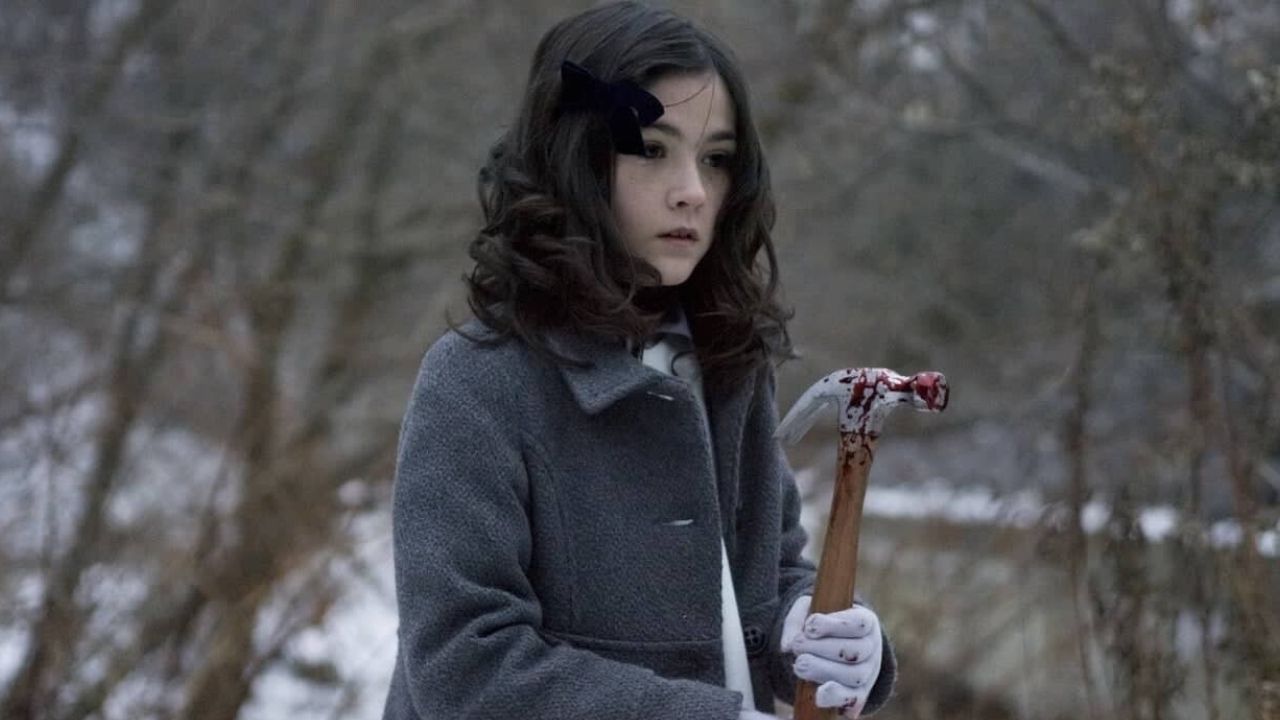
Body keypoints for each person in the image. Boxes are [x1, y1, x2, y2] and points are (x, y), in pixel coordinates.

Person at [382, 2, 896, 718]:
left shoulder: (727, 363)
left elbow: (765, 572)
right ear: (574, 159)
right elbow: (465, 664)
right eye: (652, 149)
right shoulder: (478, 381)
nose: (693, 191)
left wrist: (810, 626)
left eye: (716, 159)